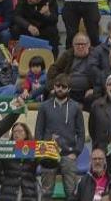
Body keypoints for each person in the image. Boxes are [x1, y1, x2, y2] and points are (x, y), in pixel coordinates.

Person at [35, 73, 86, 201]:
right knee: (46, 192)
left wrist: (76, 152)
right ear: (54, 86)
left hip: (68, 154)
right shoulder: (44, 106)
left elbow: (81, 133)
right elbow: (38, 131)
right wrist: (41, 153)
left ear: (69, 89)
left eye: (64, 86)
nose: (60, 89)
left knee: (71, 192)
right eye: (58, 86)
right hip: (48, 154)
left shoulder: (76, 107)